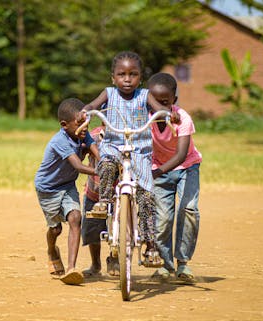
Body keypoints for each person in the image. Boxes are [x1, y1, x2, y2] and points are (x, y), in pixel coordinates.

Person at [81, 51, 178, 267]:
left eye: (133, 74)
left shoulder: (144, 96)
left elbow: (160, 108)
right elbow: (92, 105)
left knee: (146, 196)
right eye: (121, 74)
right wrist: (85, 111)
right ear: (113, 77)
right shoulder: (108, 93)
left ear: (140, 78)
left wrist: (168, 113)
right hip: (114, 145)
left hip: (139, 150)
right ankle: (104, 202)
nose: (127, 79)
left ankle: (150, 245)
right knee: (105, 164)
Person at [34, 98, 99, 285]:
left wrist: (104, 162)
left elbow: (96, 151)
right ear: (64, 125)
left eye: (87, 122)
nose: (85, 127)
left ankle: (71, 268)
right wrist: (98, 170)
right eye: (80, 123)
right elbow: (78, 166)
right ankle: (51, 250)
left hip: (68, 185)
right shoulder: (60, 141)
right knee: (55, 229)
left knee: (75, 217)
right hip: (48, 189)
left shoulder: (82, 134)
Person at [148, 72, 202, 284]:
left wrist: (157, 173)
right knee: (162, 219)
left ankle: (183, 263)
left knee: (189, 209)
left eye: (165, 103)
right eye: (154, 102)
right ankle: (164, 265)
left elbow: (181, 154)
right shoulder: (143, 119)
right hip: (159, 170)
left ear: (174, 101)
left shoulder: (183, 119)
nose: (159, 108)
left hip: (186, 167)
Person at [81, 124, 120, 277]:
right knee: (92, 230)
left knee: (119, 228)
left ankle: (115, 259)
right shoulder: (94, 136)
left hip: (118, 194)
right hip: (94, 192)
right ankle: (95, 263)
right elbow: (81, 153)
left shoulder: (125, 136)